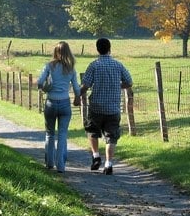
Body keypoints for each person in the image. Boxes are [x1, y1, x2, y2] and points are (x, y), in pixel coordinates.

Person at [80, 38, 133, 175]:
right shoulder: (118, 65)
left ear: (98, 49)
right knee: (111, 136)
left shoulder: (94, 65)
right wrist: (117, 86)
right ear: (110, 48)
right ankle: (108, 164)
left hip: (96, 106)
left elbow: (85, 85)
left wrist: (78, 96)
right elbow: (129, 82)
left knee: (92, 131)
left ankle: (96, 156)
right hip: (113, 107)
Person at [38, 41, 81, 173]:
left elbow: (40, 82)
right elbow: (76, 88)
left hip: (51, 102)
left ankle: (49, 163)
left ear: (55, 52)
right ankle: (61, 166)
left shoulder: (49, 66)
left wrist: (46, 87)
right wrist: (77, 98)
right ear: (68, 52)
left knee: (50, 133)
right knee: (62, 134)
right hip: (64, 103)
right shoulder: (71, 69)